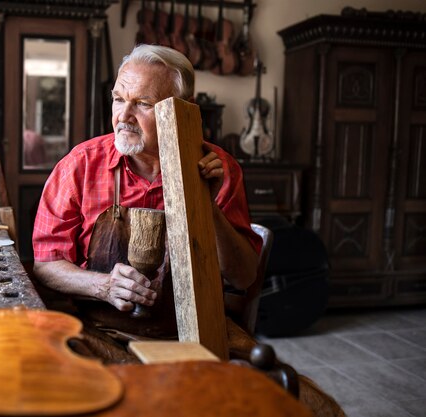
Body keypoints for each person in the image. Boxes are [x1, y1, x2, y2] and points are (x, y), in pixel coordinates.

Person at [32, 44, 345, 417]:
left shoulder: (217, 168)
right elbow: (46, 265)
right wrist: (102, 286)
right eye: (118, 99)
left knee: (310, 408)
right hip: (101, 330)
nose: (123, 116)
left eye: (143, 104)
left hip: (195, 330)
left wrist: (206, 204)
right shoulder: (79, 166)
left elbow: (244, 276)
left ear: (181, 108)